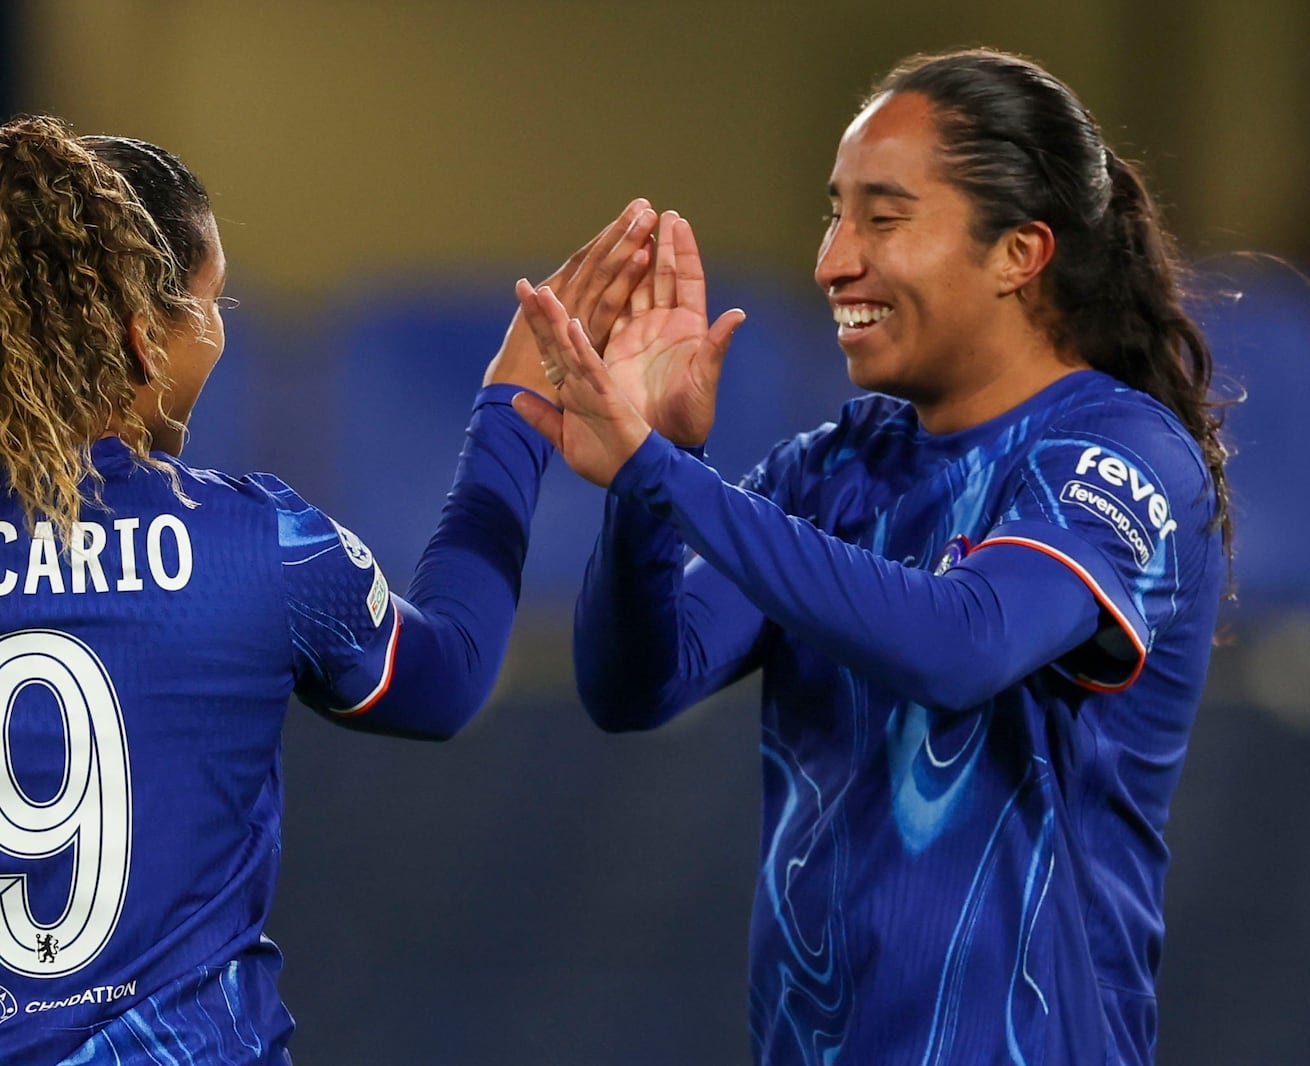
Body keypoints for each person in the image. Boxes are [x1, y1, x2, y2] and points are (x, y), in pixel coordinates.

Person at [516, 47, 1234, 1065]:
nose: (832, 260)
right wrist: (650, 477)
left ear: (1018, 252)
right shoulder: (832, 468)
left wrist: (666, 478)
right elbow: (634, 683)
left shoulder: (1117, 452)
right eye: (834, 213)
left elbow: (963, 644)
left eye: (882, 218)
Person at [0, 114, 654, 1064]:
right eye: (210, 302)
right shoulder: (263, 544)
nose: (217, 335)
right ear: (145, 335)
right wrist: (511, 411)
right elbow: (449, 675)